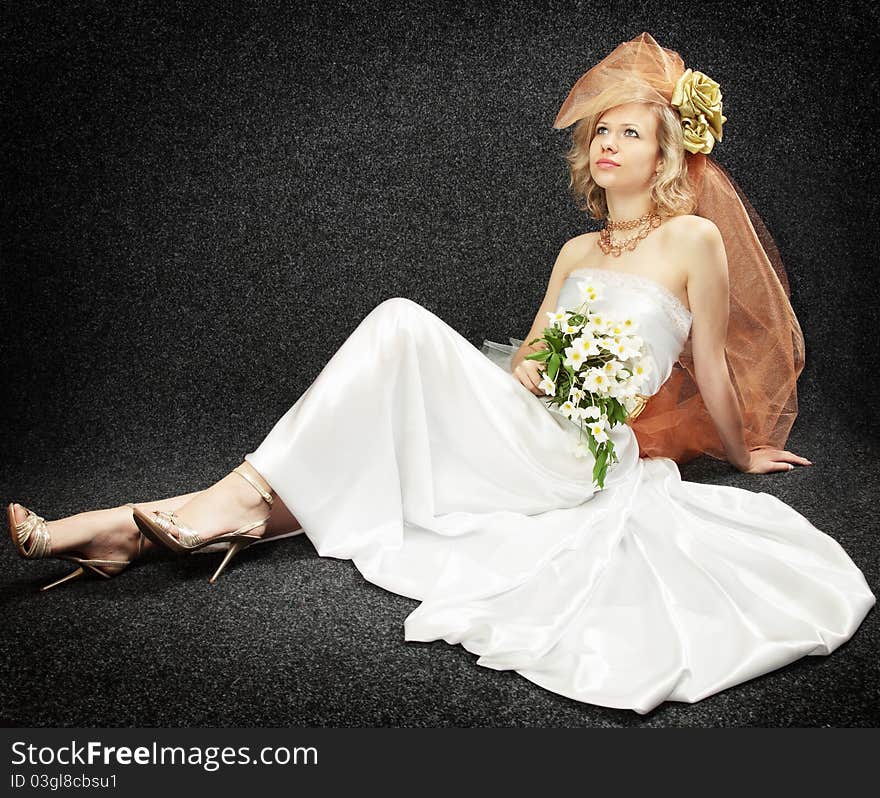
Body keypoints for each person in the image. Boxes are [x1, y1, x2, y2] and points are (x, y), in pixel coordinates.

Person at [6, 33, 874, 714]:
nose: (608, 142)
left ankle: (177, 519)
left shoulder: (696, 241)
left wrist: (747, 448)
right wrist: (530, 373)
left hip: (579, 457)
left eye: (630, 132)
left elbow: (715, 368)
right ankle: (139, 526)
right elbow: (533, 350)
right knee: (380, 404)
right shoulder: (576, 249)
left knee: (397, 327)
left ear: (668, 154)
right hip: (527, 421)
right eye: (601, 129)